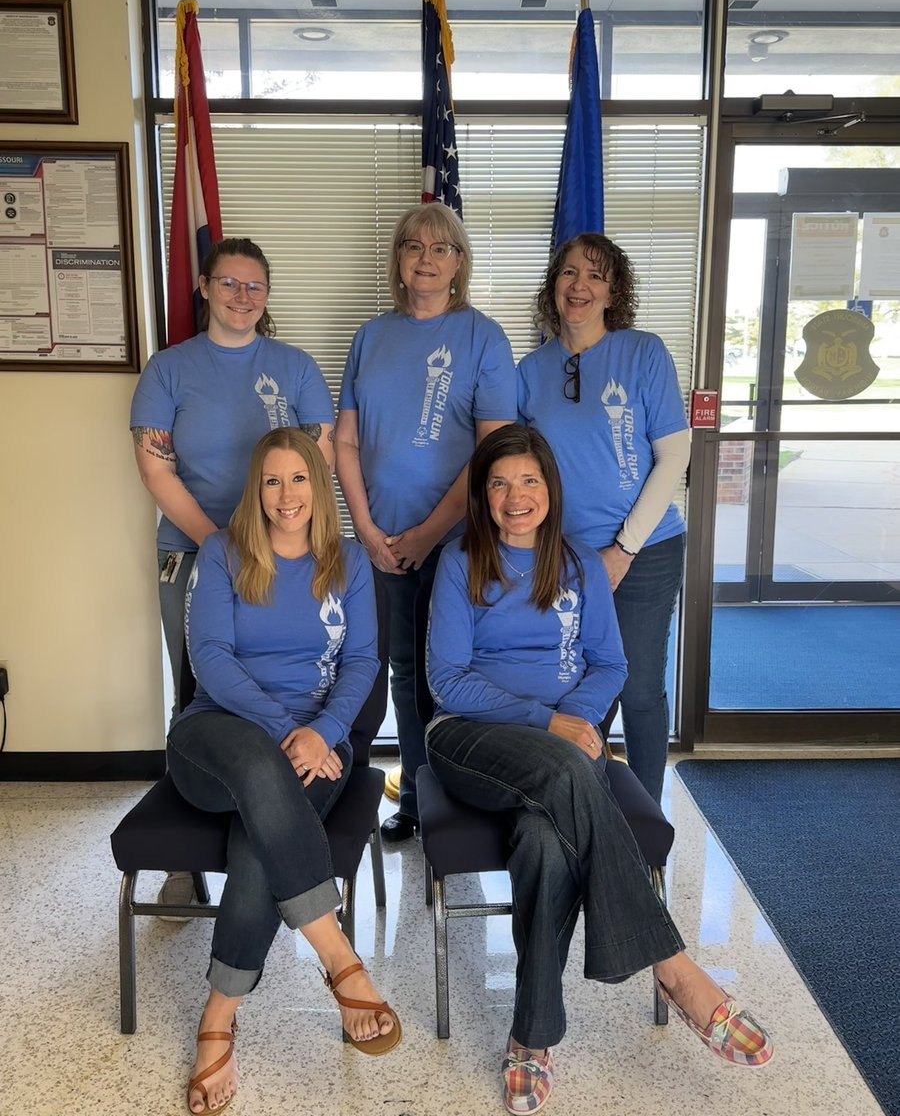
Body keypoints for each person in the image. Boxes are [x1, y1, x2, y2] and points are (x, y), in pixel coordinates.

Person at [425, 425, 771, 1116]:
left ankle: (531, 1039)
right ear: (482, 497)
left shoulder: (580, 563)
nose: (514, 496)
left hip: (559, 755)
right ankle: (673, 965)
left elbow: (610, 665)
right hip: (469, 740)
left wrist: (578, 720)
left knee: (545, 841)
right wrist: (550, 722)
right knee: (563, 775)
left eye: (527, 481)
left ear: (550, 488)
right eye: (499, 484)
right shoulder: (460, 559)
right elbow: (447, 679)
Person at [169, 428, 400, 1115]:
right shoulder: (222, 552)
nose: (286, 494)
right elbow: (209, 656)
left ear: (318, 485)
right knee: (259, 770)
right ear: (256, 490)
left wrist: (324, 732)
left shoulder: (350, 562)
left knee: (258, 842)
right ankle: (338, 955)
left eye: (298, 478)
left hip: (320, 748)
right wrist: (284, 731)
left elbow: (362, 663)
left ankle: (217, 1020)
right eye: (272, 481)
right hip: (218, 737)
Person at [131, 237, 335, 908]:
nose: (241, 296)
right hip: (194, 551)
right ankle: (183, 860)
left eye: (254, 286)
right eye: (229, 283)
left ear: (267, 295)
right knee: (196, 686)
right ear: (205, 288)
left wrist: (272, 540)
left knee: (288, 676)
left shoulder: (296, 367)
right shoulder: (169, 368)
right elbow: (155, 467)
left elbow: (317, 464)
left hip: (288, 551)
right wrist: (225, 544)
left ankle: (266, 807)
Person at [335, 202, 516, 842]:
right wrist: (365, 528)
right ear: (399, 261)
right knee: (402, 672)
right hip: (381, 543)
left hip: (459, 543)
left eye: (441, 248)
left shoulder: (483, 337)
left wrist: (426, 535)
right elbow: (346, 443)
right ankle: (413, 793)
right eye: (414, 246)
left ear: (459, 263)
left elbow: (491, 450)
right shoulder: (371, 337)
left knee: (458, 673)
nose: (426, 258)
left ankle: (460, 792)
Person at [517, 234, 691, 804]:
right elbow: (521, 468)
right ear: (554, 286)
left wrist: (624, 548)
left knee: (639, 688)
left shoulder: (644, 353)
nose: (580, 286)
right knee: (574, 689)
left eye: (595, 275)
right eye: (569, 274)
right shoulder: (530, 370)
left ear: (614, 291)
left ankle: (644, 820)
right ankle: (581, 805)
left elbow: (674, 456)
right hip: (561, 557)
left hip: (646, 551)